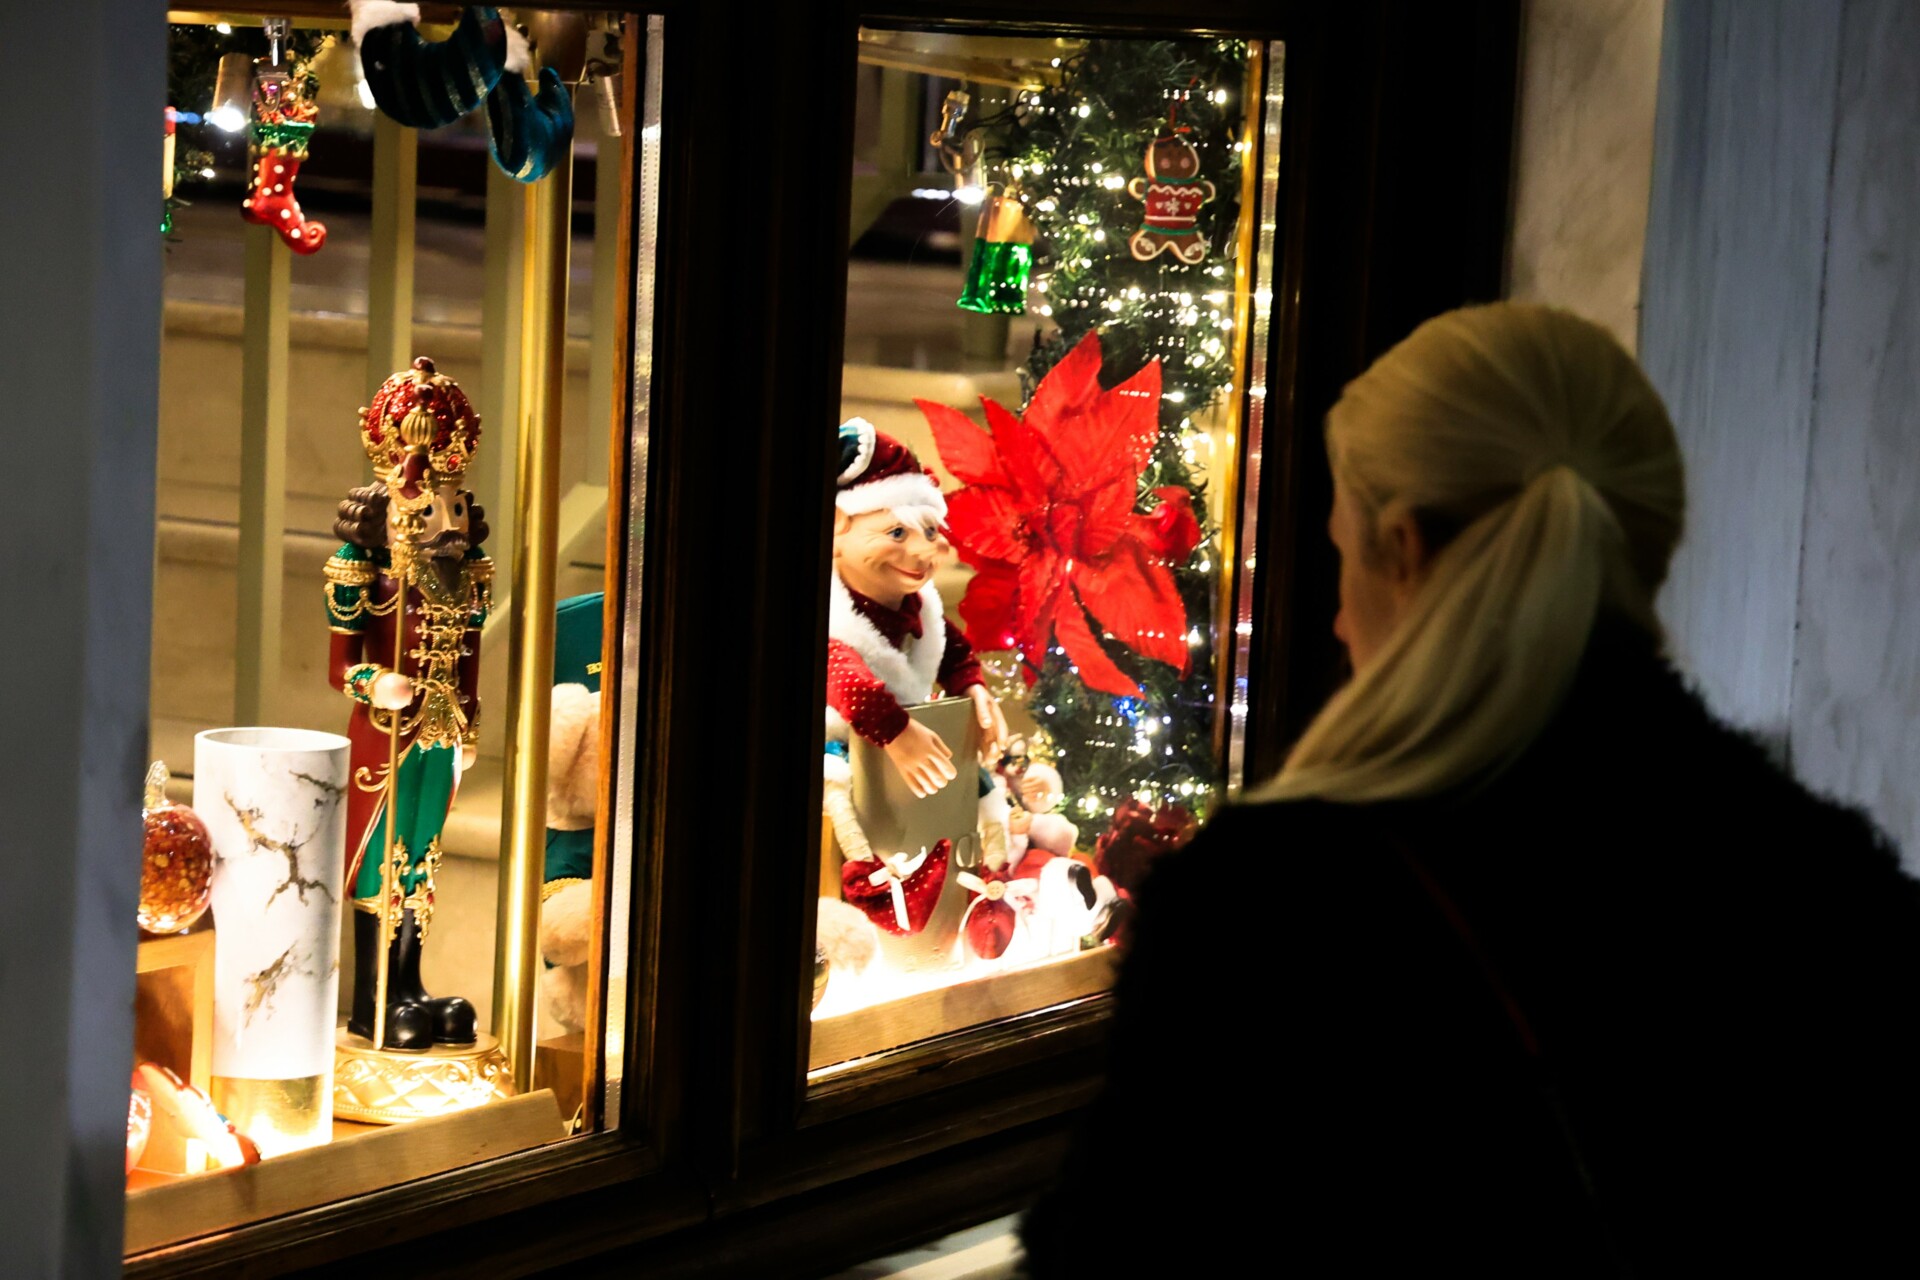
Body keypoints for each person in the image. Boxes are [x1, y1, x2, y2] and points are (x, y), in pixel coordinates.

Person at [1020, 303, 1920, 1274]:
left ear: (1402, 550)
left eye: (1339, 554)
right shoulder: (1828, 880)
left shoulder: (1276, 907)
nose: (1333, 619)